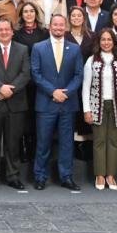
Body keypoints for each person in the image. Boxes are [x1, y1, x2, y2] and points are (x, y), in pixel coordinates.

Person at [30, 14, 82, 190]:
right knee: (43, 141)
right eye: (55, 25)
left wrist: (65, 93)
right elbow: (35, 74)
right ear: (50, 26)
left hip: (67, 103)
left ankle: (66, 177)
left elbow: (78, 75)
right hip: (46, 102)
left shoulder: (74, 49)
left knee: (67, 142)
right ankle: (40, 176)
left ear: (65, 27)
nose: (59, 28)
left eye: (61, 25)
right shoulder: (38, 47)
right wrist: (53, 91)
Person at [0, 17, 31, 190]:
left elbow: (26, 74)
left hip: (16, 103)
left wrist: (10, 90)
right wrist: (0, 88)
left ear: (12, 31)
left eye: (6, 29)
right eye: (0, 29)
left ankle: (13, 176)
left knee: (13, 142)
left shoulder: (22, 49)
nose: (3, 32)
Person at [81, 28, 117, 190]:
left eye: (109, 39)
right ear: (99, 42)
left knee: (113, 141)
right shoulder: (92, 60)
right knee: (99, 140)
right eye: (103, 39)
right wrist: (87, 109)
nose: (106, 42)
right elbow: (86, 86)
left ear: (114, 42)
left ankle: (111, 175)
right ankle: (99, 175)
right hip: (97, 105)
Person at [13, 1, 48, 162]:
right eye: (25, 11)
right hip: (21, 81)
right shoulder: (16, 34)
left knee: (36, 116)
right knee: (22, 117)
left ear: (36, 14)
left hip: (39, 81)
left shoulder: (44, 33)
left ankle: (35, 149)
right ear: (21, 15)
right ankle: (22, 149)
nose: (28, 14)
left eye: (31, 11)